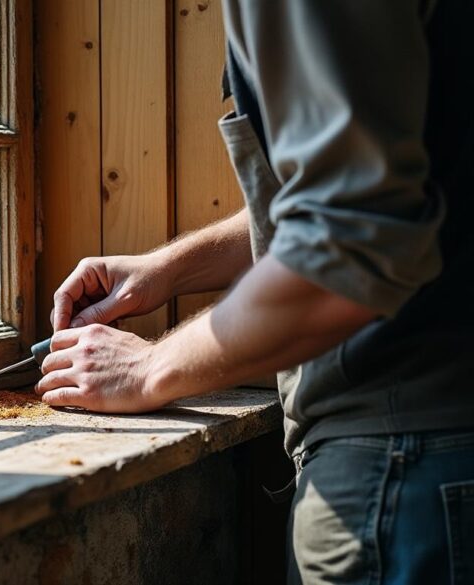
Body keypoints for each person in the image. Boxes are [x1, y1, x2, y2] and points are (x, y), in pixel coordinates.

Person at [38, 1, 474, 582]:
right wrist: (168, 269)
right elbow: (368, 196)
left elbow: (348, 242)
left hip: (404, 472)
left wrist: (148, 369)